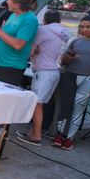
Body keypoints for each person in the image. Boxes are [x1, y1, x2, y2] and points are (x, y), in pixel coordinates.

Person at [16, 10, 68, 146]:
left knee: (36, 104)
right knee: (40, 103)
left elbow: (31, 49)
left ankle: (36, 137)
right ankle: (32, 132)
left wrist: (33, 52)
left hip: (44, 72)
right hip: (54, 72)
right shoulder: (62, 33)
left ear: (44, 20)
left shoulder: (43, 31)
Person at [53, 15, 90, 150]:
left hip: (88, 79)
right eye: (82, 26)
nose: (84, 29)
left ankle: (69, 138)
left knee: (78, 109)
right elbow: (63, 61)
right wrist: (68, 58)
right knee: (66, 106)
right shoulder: (74, 41)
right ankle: (59, 135)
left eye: (88, 27)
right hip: (69, 75)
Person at [0, 0, 38, 86]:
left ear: (17, 4)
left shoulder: (30, 20)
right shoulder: (13, 15)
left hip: (12, 67)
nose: (7, 2)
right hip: (1, 63)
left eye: (10, 0)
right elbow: (7, 36)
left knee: (2, 98)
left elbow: (18, 45)